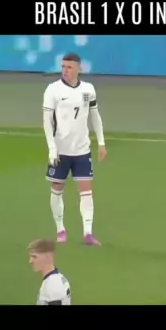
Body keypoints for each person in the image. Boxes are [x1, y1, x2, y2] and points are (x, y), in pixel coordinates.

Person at [42, 52, 107, 245]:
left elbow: (95, 116)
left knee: (86, 192)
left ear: (79, 68)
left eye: (69, 67)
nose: (65, 71)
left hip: (82, 150)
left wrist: (101, 142)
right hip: (60, 152)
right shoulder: (52, 90)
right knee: (56, 190)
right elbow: (47, 121)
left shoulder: (88, 89)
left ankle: (88, 233)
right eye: (63, 67)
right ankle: (60, 230)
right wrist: (51, 148)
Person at [28, 238, 72, 305]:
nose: (30, 261)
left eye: (34, 257)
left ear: (47, 257)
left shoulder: (52, 287)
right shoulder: (58, 277)